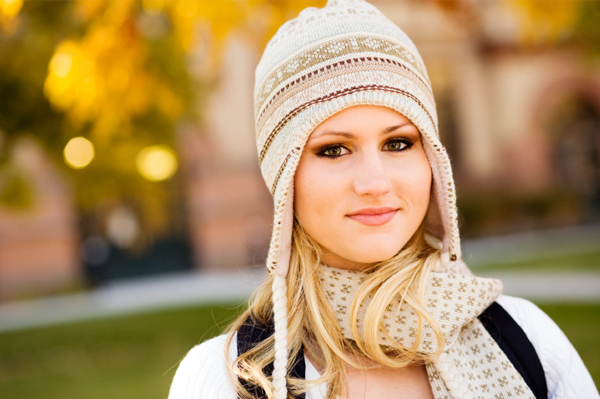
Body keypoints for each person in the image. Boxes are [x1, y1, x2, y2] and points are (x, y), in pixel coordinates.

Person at [168, 1, 598, 398]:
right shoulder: (228, 380)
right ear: (284, 178)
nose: (375, 182)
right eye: (334, 149)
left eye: (398, 143)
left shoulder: (528, 341)